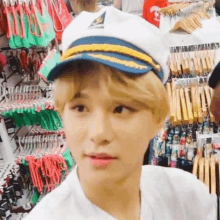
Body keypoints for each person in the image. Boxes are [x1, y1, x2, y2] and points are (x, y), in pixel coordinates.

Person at [25, 7, 216, 220]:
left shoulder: (186, 197)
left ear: (157, 118)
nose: (98, 133)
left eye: (120, 109)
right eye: (80, 108)